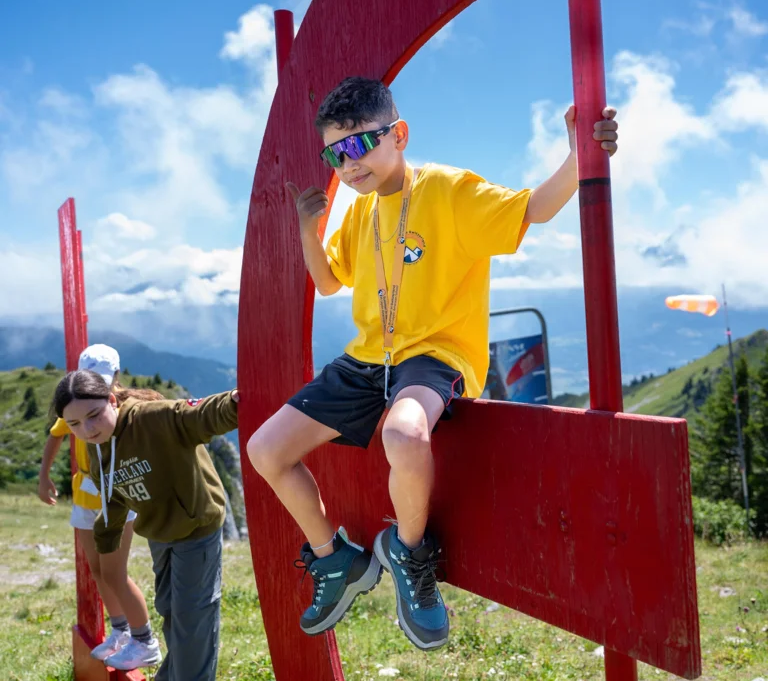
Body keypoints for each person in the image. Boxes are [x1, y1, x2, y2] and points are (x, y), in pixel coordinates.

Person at [247, 76, 619, 650]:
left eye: (358, 145)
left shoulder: (447, 190)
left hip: (434, 356)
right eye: (333, 153)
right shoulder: (359, 211)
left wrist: (578, 155)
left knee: (405, 434)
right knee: (265, 450)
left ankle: (410, 553)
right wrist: (305, 228)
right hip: (368, 359)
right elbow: (326, 283)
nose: (347, 165)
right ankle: (336, 558)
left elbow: (537, 208)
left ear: (398, 134)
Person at [51, 369, 239, 680]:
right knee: (170, 610)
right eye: (75, 424)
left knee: (193, 618)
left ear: (112, 401)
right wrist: (104, 544)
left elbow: (198, 414)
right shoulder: (98, 448)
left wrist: (235, 401)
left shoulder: (151, 418)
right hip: (159, 533)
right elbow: (113, 499)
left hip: (196, 528)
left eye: (94, 415)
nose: (87, 429)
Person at [38, 345, 157, 667]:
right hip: (84, 496)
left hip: (117, 501)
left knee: (115, 573)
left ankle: (144, 640)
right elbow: (56, 433)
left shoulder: (124, 409)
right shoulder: (79, 405)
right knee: (97, 570)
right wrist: (44, 475)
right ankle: (120, 631)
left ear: (116, 377)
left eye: (105, 381)